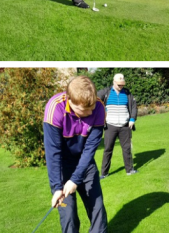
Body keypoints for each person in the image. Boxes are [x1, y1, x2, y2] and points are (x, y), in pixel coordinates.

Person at [43, 76, 108, 232]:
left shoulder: (98, 107)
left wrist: (76, 178)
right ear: (70, 101)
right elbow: (53, 154)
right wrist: (57, 187)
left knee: (98, 210)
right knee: (69, 215)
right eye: (85, 110)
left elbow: (90, 148)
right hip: (62, 167)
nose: (91, 112)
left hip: (86, 165)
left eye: (92, 107)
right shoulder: (55, 109)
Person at [98, 73, 138, 178]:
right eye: (119, 84)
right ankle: (104, 173)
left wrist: (132, 119)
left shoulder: (127, 93)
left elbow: (134, 106)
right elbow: (95, 100)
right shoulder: (105, 92)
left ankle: (130, 170)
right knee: (107, 149)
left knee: (127, 148)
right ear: (114, 82)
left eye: (122, 84)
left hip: (125, 126)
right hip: (110, 126)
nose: (121, 86)